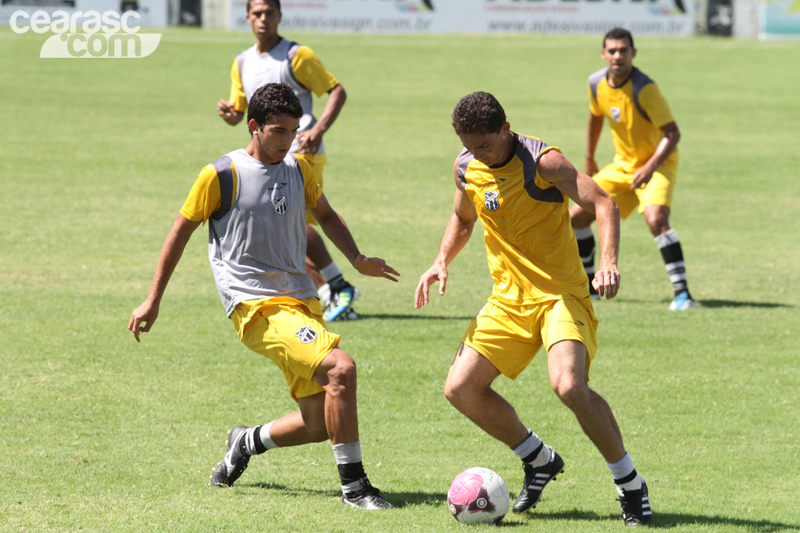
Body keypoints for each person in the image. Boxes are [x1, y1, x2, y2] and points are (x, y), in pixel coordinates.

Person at [130, 83, 398, 510]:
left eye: (293, 131)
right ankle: (356, 489)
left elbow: (324, 214)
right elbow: (180, 231)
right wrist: (153, 298)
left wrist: (357, 257)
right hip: (256, 307)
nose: (287, 140)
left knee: (319, 422)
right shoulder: (221, 174)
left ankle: (244, 442)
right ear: (253, 127)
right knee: (341, 369)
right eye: (278, 131)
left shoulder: (299, 168)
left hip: (302, 303)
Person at [415, 92, 652, 526]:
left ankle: (630, 485)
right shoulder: (466, 166)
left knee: (569, 386)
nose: (477, 154)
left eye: (484, 144)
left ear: (506, 130)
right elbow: (464, 218)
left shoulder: (544, 163)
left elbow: (604, 203)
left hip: (560, 295)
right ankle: (538, 459)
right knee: (460, 389)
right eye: (468, 144)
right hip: (508, 299)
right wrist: (440, 261)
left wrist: (608, 262)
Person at [217, 0, 358, 321]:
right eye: (257, 13)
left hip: (301, 150)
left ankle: (335, 286)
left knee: (296, 221)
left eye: (269, 12)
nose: (263, 18)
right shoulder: (241, 62)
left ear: (279, 16)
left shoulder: (297, 56)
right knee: (288, 225)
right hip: (266, 153)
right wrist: (230, 114)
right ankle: (329, 292)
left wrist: (318, 130)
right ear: (248, 18)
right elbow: (242, 114)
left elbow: (336, 90)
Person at [572, 27, 695, 311]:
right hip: (622, 167)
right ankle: (590, 284)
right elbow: (595, 117)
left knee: (656, 218)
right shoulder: (595, 83)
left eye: (623, 50)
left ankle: (683, 294)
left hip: (657, 165)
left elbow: (673, 134)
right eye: (612, 51)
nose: (618, 56)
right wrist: (589, 157)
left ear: (633, 53)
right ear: (603, 54)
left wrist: (650, 167)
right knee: (576, 216)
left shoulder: (644, 89)